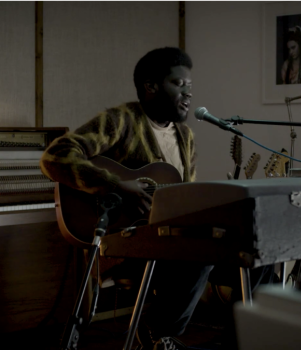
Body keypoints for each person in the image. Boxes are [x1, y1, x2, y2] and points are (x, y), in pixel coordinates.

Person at [40, 47, 214, 350]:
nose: (188, 94)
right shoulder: (120, 121)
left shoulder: (185, 138)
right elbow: (54, 157)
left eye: (190, 86)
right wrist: (117, 185)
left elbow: (183, 199)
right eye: (179, 84)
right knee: (200, 253)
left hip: (167, 240)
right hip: (122, 243)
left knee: (253, 250)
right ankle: (158, 334)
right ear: (151, 86)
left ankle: (248, 335)